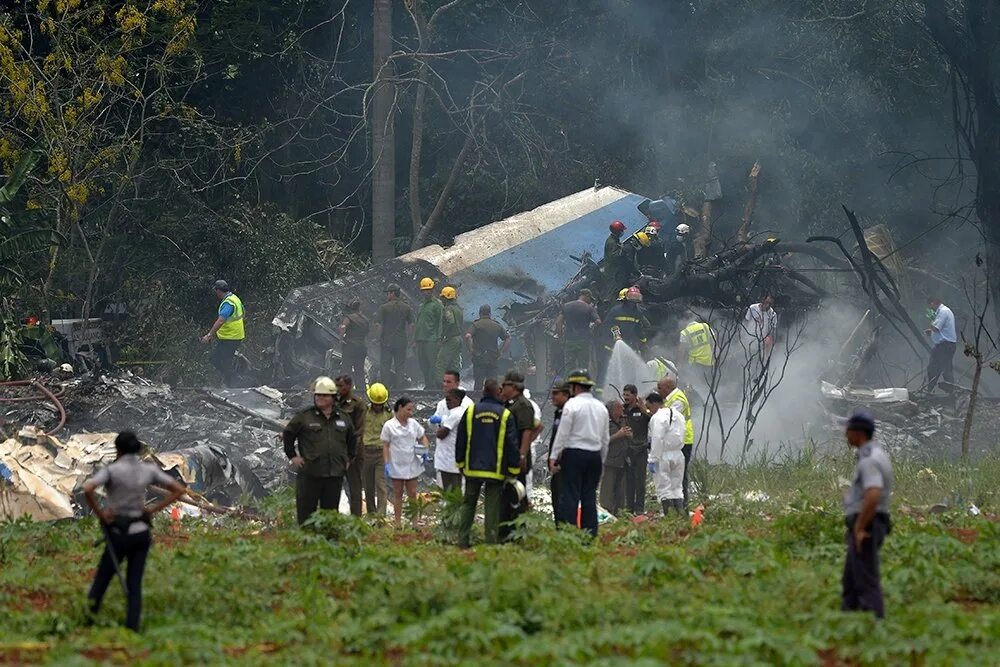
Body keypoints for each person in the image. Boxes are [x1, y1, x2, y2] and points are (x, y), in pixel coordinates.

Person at [82, 431, 185, 632]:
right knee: (134, 583)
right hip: (141, 532)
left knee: (103, 578)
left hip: (118, 532)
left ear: (118, 449)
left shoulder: (112, 470)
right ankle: (132, 628)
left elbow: (88, 488)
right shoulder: (147, 470)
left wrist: (102, 515)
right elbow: (178, 490)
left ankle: (87, 622)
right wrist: (151, 510)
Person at [454, 378, 521, 547]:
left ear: (484, 391)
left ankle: (463, 541)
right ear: (498, 392)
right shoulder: (505, 415)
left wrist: (460, 463)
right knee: (492, 507)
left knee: (468, 504)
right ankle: (490, 543)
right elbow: (512, 444)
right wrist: (513, 468)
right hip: (495, 469)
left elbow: (460, 439)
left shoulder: (470, 411)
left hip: (472, 468)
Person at [284, 376, 358, 525]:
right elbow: (288, 434)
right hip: (310, 474)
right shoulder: (304, 417)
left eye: (324, 395)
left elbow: (352, 440)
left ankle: (328, 544)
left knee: (330, 516)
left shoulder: (343, 418)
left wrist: (348, 459)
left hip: (334, 475)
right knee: (306, 516)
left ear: (333, 397)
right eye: (317, 395)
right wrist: (293, 456)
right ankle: (308, 546)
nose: (320, 398)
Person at [841, 409, 893, 619]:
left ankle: (873, 623)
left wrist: (860, 528)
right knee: (851, 578)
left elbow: (872, 495)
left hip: (869, 524)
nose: (845, 434)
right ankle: (848, 621)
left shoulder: (869, 460)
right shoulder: (874, 454)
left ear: (858, 433)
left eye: (848, 430)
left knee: (865, 577)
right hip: (867, 522)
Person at [548, 369, 609, 537]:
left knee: (570, 495)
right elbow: (605, 439)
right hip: (594, 455)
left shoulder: (572, 405)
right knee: (589, 497)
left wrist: (554, 457)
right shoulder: (600, 407)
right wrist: (601, 460)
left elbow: (562, 434)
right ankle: (589, 535)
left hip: (574, 454)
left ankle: (570, 534)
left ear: (574, 387)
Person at [381, 396, 430, 528]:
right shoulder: (389, 426)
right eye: (408, 409)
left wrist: (425, 450)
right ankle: (398, 523)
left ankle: (414, 523)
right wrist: (386, 463)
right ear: (400, 408)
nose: (410, 412)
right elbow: (385, 445)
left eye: (412, 410)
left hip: (412, 462)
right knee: (398, 494)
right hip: (396, 463)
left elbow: (423, 437)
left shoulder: (413, 424)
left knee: (412, 493)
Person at [501, 371, 542, 524]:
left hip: (518, 456)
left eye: (505, 385)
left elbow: (528, 430)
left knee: (519, 492)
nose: (502, 388)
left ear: (514, 386)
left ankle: (520, 525)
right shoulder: (511, 403)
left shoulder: (523, 405)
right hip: (510, 454)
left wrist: (522, 454)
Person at [432, 370, 475, 492]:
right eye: (444, 381)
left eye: (449, 382)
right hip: (443, 454)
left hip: (459, 454)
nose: (445, 384)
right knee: (442, 491)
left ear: (457, 383)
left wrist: (444, 422)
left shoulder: (467, 404)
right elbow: (436, 427)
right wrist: (433, 422)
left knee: (458, 492)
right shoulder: (442, 404)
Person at [658, 372, 694, 509]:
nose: (658, 391)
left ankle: (682, 507)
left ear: (668, 387)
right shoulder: (670, 398)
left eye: (660, 388)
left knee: (680, 475)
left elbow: (666, 419)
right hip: (676, 442)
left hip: (684, 441)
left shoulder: (678, 400)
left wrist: (648, 411)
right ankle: (675, 506)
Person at [647, 392, 686, 515]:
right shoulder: (679, 415)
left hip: (663, 455)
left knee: (664, 488)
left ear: (654, 404)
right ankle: (680, 516)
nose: (649, 410)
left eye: (649, 407)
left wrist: (653, 459)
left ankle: (669, 518)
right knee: (677, 487)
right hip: (679, 454)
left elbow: (657, 438)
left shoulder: (658, 417)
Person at [200, 279, 245, 387]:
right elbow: (243, 312)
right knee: (215, 359)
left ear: (219, 290)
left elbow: (220, 320)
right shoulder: (235, 298)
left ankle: (234, 383)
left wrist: (209, 335)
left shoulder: (228, 303)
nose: (216, 293)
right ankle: (231, 380)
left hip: (231, 338)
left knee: (224, 361)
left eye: (216, 291)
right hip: (231, 337)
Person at [335, 375, 366, 517]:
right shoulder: (334, 403)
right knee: (333, 487)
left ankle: (356, 519)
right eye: (337, 386)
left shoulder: (357, 404)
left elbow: (360, 431)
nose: (339, 389)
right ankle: (332, 517)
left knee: (354, 487)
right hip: (336, 452)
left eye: (342, 386)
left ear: (349, 386)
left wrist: (351, 453)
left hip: (353, 453)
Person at [361, 382, 392, 514]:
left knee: (381, 485)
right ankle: (371, 513)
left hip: (381, 453)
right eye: (375, 403)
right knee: (368, 486)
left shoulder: (389, 414)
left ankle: (381, 516)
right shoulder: (364, 412)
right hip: (366, 452)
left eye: (380, 404)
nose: (378, 406)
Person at [464, 304, 511, 390]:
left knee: (478, 383)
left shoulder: (476, 324)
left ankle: (477, 401)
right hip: (493, 358)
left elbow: (467, 336)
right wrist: (501, 352)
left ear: (480, 313)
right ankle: (491, 401)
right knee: (492, 385)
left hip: (479, 358)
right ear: (490, 313)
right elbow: (508, 338)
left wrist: (471, 350)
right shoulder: (497, 325)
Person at [555, 289, 601, 376]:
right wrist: (592, 330)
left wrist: (560, 335)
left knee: (569, 366)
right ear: (586, 296)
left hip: (569, 340)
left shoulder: (566, 306)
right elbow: (598, 322)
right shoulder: (589, 308)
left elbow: (558, 322)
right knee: (583, 367)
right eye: (590, 298)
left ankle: (568, 387)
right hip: (584, 341)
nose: (590, 301)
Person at [375, 284, 413, 387]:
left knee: (385, 365)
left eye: (388, 293)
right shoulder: (407, 308)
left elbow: (379, 325)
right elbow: (411, 325)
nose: (387, 295)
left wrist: (377, 338)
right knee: (400, 366)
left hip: (386, 342)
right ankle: (399, 388)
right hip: (401, 342)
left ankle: (385, 387)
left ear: (392, 293)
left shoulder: (384, 307)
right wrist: (410, 339)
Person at [622, 384, 651, 514]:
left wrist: (644, 409)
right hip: (628, 451)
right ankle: (629, 509)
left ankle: (639, 509)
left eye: (628, 395)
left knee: (640, 481)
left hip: (641, 450)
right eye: (624, 395)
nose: (625, 397)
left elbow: (654, 420)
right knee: (629, 481)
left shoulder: (642, 410)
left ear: (635, 395)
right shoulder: (623, 410)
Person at [599, 399, 632, 515]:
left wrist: (629, 435)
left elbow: (631, 436)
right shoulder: (605, 423)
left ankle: (619, 513)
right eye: (619, 408)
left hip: (623, 460)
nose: (622, 409)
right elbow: (601, 441)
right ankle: (605, 512)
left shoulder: (624, 420)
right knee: (607, 489)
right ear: (613, 410)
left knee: (621, 491)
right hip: (610, 461)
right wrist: (618, 435)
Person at [546, 382, 571, 524]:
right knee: (556, 499)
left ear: (565, 395)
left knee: (564, 501)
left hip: (565, 466)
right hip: (556, 466)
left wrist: (561, 461)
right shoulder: (559, 412)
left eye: (556, 393)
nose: (552, 396)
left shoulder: (569, 413)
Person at [414, 277, 443, 390]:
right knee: (423, 364)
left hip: (432, 339)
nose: (427, 292)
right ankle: (428, 384)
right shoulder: (422, 306)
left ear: (432, 290)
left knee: (432, 363)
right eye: (424, 290)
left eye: (429, 289)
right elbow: (418, 323)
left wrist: (439, 338)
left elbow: (440, 322)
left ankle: (434, 386)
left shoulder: (437, 304)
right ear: (421, 291)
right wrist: (415, 340)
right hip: (421, 339)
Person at [924, 297, 957, 393]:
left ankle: (950, 393)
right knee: (938, 368)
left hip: (944, 346)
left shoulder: (943, 312)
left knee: (942, 369)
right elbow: (941, 329)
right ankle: (933, 391)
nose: (930, 308)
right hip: (945, 345)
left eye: (930, 306)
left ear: (933, 303)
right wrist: (931, 332)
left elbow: (936, 328)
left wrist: (930, 317)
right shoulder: (943, 311)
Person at [604, 286, 650, 352]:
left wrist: (643, 341)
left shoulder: (637, 312)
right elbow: (608, 324)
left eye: (636, 298)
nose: (633, 302)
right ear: (626, 298)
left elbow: (638, 327)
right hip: (612, 344)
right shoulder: (616, 310)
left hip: (629, 342)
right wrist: (616, 334)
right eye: (632, 298)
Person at [339, 300, 370, 385]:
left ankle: (344, 390)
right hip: (362, 347)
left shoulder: (349, 318)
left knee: (346, 369)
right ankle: (361, 391)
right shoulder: (366, 320)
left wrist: (341, 340)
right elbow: (367, 333)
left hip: (350, 346)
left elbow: (343, 328)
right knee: (359, 370)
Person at [436, 286, 464, 379]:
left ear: (446, 297)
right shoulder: (459, 309)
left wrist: (443, 335)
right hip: (458, 338)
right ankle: (453, 385)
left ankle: (439, 387)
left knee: (441, 362)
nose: (441, 299)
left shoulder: (448, 309)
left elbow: (450, 321)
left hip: (451, 339)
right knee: (454, 365)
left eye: (442, 297)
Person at [742, 294, 778, 362]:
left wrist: (770, 345)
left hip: (761, 344)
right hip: (748, 340)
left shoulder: (773, 314)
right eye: (767, 302)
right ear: (763, 300)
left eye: (770, 304)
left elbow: (772, 332)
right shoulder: (752, 308)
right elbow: (745, 322)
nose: (768, 305)